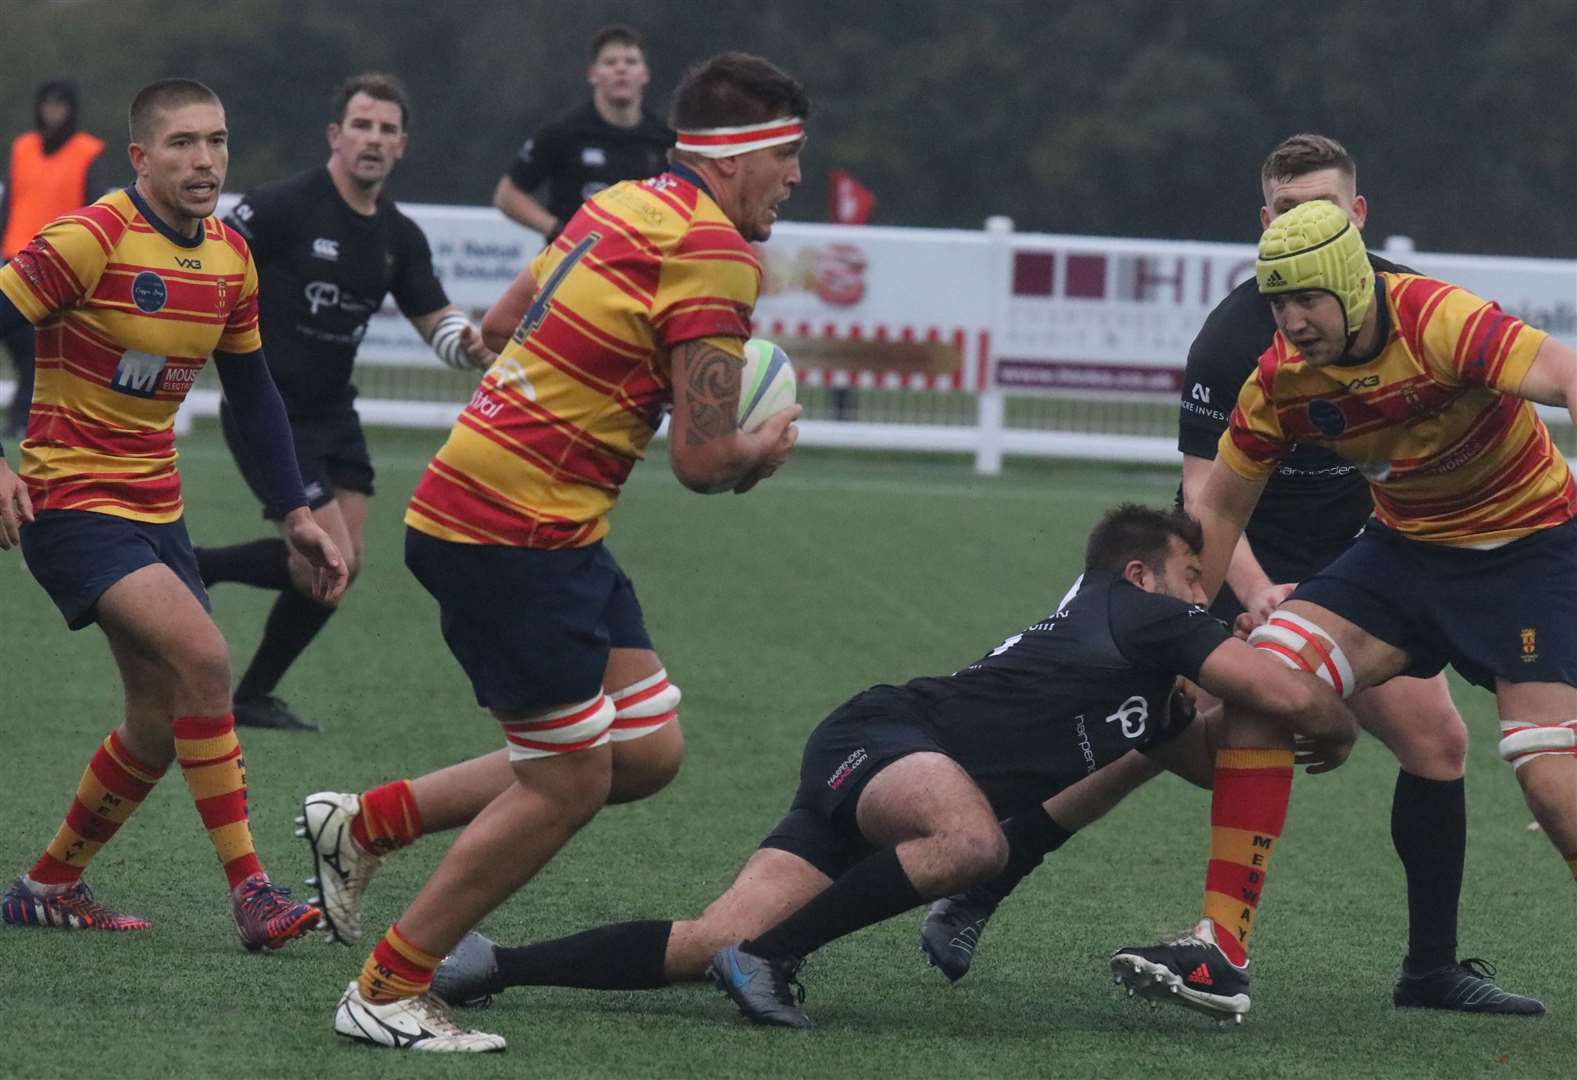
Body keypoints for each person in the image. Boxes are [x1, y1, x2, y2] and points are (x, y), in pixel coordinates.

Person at [919, 135, 1539, 1015]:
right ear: (1263, 222)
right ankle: (985, 880)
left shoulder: (1411, 303)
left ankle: (1429, 971)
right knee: (1150, 728)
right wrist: (1245, 597)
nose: (1301, 231)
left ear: (1356, 218)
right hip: (1234, 564)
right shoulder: (1234, 339)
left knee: (1436, 744)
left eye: (1320, 212)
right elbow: (1203, 496)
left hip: (1364, 573)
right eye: (1284, 215)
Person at [419, 505, 1360, 1030]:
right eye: (1197, 579)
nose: (1207, 599)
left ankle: (488, 964)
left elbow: (1220, 761)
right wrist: (1335, 723)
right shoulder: (1137, 610)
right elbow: (1284, 696)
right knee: (969, 843)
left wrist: (1223, 712)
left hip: (883, 767)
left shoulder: (1148, 672)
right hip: (889, 738)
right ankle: (772, 960)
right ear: (1144, 576)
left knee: (705, 939)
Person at [313, 52, 807, 1052]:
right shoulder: (716, 252)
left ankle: (365, 823)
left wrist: (607, 380)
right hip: (511, 531)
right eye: (788, 156)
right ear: (738, 155)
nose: (795, 178)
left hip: (536, 516)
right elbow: (705, 461)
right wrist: (763, 444)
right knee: (569, 780)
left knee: (643, 751)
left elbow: (501, 327)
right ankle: (389, 987)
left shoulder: (621, 202)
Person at [1110, 197, 1577, 1022]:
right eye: (1278, 301)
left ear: (1352, 288)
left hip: (1528, 551)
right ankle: (1219, 951)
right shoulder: (1281, 378)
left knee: (1548, 779)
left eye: (1307, 300)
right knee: (1262, 679)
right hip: (1400, 553)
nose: (1291, 320)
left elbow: (1566, 375)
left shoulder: (1439, 320)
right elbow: (1218, 509)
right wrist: (1188, 638)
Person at [0, 78, 345, 949]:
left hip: (158, 508)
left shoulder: (230, 254)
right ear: (141, 158)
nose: (205, 160)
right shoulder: (92, 236)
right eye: (184, 143)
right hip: (70, 499)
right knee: (204, 657)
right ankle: (254, 894)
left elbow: (254, 393)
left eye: (217, 142)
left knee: (157, 717)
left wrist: (293, 509)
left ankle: (49, 884)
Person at [193, 73, 492, 733]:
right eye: (362, 125)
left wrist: (466, 345)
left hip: (333, 414)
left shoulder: (398, 236)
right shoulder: (284, 206)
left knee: (334, 572)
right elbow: (209, 259)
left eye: (387, 130)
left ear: (402, 146)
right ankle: (196, 567)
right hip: (264, 406)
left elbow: (434, 318)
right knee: (333, 559)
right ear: (335, 135)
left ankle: (248, 692)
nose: (373, 139)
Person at [1, 80, 113, 439]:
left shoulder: (88, 152)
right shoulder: (23, 148)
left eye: (60, 104)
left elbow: (96, 209)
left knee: (41, 351)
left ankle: (25, 421)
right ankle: (25, 420)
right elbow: (9, 205)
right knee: (29, 352)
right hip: (13, 259)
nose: (53, 111)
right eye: (48, 103)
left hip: (57, 263)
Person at [492, 24, 673, 243]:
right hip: (576, 267)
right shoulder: (564, 132)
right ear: (592, 74)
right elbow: (507, 195)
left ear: (645, 74)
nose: (621, 69)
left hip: (644, 265)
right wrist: (559, 231)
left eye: (631, 61)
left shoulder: (664, 138)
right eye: (610, 62)